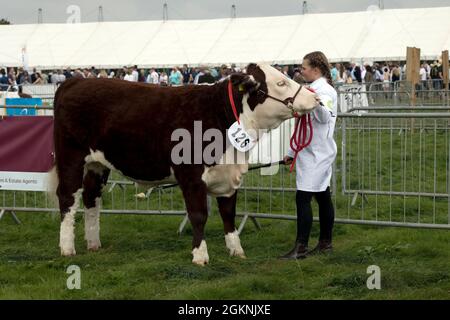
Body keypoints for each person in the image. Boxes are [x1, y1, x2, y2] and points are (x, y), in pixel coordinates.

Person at [280, 51, 338, 260]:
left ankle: (301, 247)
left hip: (319, 154)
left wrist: (313, 101)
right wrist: (290, 152)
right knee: (322, 196)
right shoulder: (309, 89)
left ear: (316, 69)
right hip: (307, 151)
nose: (301, 70)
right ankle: (325, 243)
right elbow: (301, 126)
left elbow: (324, 118)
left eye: (304, 67)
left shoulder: (327, 91)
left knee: (303, 198)